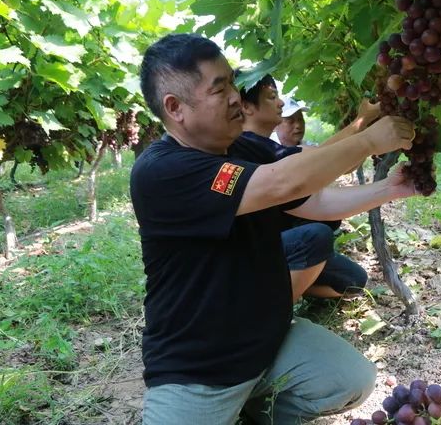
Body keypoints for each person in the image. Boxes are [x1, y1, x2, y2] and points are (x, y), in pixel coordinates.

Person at [131, 33, 416, 425]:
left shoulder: (243, 148)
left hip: (266, 342)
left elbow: (314, 199)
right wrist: (367, 139)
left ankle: (254, 412)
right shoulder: (161, 172)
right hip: (199, 368)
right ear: (175, 107)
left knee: (352, 380)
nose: (235, 97)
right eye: (219, 89)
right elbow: (283, 182)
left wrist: (391, 188)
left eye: (232, 84)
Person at [237, 72, 375, 299]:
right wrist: (364, 126)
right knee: (316, 235)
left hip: (277, 241)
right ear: (246, 107)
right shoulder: (245, 146)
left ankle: (292, 284)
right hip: (252, 253)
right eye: (272, 97)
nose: (280, 103)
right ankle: (268, 306)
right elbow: (319, 159)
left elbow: (321, 161)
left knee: (353, 280)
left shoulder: (263, 145)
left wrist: (362, 129)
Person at [274, 94, 381, 148]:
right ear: (274, 125)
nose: (298, 125)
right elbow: (318, 155)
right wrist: (362, 119)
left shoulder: (307, 145)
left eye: (300, 119)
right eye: (290, 121)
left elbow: (330, 158)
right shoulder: (270, 152)